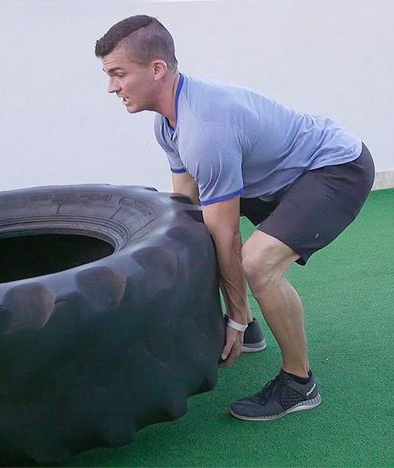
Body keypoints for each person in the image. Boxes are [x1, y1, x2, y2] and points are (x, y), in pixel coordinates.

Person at [95, 15, 374, 421]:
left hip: (334, 168)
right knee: (194, 224)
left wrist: (237, 318)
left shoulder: (205, 130)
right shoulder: (168, 124)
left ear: (157, 69)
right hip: (278, 180)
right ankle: (248, 327)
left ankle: (299, 382)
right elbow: (186, 208)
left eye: (118, 74)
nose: (111, 87)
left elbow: (225, 236)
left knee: (258, 262)